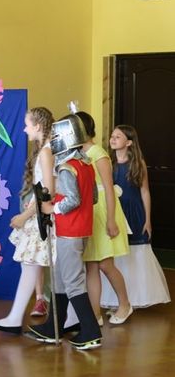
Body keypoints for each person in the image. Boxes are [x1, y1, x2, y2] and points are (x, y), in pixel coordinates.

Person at [25, 114, 102, 350]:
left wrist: (53, 207)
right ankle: (53, 327)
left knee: (73, 282)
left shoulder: (67, 167)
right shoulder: (86, 164)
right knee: (59, 279)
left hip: (71, 231)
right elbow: (93, 197)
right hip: (79, 229)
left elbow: (74, 199)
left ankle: (90, 331)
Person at [0, 107, 55, 334]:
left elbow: (49, 192)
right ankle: (14, 317)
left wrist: (25, 215)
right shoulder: (44, 151)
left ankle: (15, 318)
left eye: (27, 125)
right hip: (37, 214)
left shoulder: (46, 152)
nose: (25, 129)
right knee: (29, 266)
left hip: (41, 218)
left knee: (31, 265)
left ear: (38, 126)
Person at [100, 125, 170, 308]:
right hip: (115, 212)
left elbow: (145, 192)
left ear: (129, 142)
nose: (113, 139)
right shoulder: (108, 163)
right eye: (112, 136)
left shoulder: (138, 165)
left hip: (134, 212)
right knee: (116, 253)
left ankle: (137, 297)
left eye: (118, 137)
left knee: (135, 251)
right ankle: (115, 298)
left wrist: (148, 220)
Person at [76, 112, 132, 325]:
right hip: (89, 211)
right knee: (91, 264)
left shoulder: (98, 153)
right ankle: (94, 314)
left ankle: (125, 304)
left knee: (106, 264)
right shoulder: (79, 153)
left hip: (103, 210)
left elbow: (108, 189)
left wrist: (111, 220)